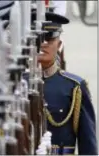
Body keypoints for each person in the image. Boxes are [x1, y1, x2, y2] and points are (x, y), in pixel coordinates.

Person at [35, 12, 98, 154]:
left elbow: (87, 143)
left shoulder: (74, 87)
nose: (43, 44)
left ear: (59, 45)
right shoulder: (16, 84)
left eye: (49, 38)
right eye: (38, 39)